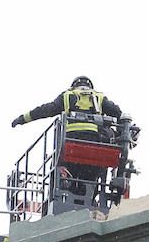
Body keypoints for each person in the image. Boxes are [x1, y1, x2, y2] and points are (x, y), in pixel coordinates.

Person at [10, 76, 131, 204]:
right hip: (93, 149)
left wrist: (22, 119)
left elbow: (45, 110)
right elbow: (120, 115)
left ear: (74, 85)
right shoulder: (99, 97)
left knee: (58, 169)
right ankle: (89, 199)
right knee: (92, 178)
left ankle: (60, 189)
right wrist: (127, 133)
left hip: (70, 146)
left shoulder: (67, 95)